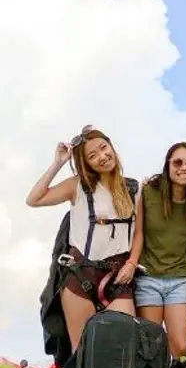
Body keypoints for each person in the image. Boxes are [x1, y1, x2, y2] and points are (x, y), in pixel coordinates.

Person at [27, 126, 140, 352]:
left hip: (118, 276)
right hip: (81, 274)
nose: (102, 156)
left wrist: (132, 263)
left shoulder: (133, 188)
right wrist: (58, 163)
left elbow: (139, 233)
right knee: (83, 351)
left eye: (104, 148)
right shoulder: (78, 185)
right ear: (86, 163)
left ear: (111, 146)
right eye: (92, 155)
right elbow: (34, 199)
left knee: (122, 348)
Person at [125, 142, 186, 359]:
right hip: (148, 276)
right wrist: (131, 264)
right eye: (177, 162)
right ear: (168, 165)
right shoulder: (148, 192)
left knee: (181, 348)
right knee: (151, 347)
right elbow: (137, 233)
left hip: (179, 279)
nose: (184, 168)